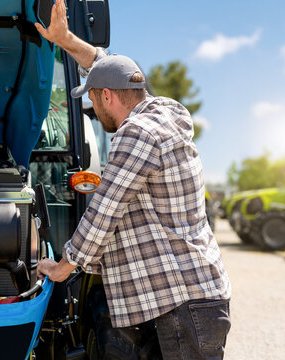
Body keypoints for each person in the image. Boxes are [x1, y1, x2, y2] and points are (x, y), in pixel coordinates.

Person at [35, 2, 231, 359]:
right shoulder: (160, 116)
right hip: (185, 302)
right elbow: (109, 67)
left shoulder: (137, 133)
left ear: (107, 95)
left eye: (93, 99)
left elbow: (103, 212)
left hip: (183, 306)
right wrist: (65, 40)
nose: (93, 109)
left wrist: (62, 267)